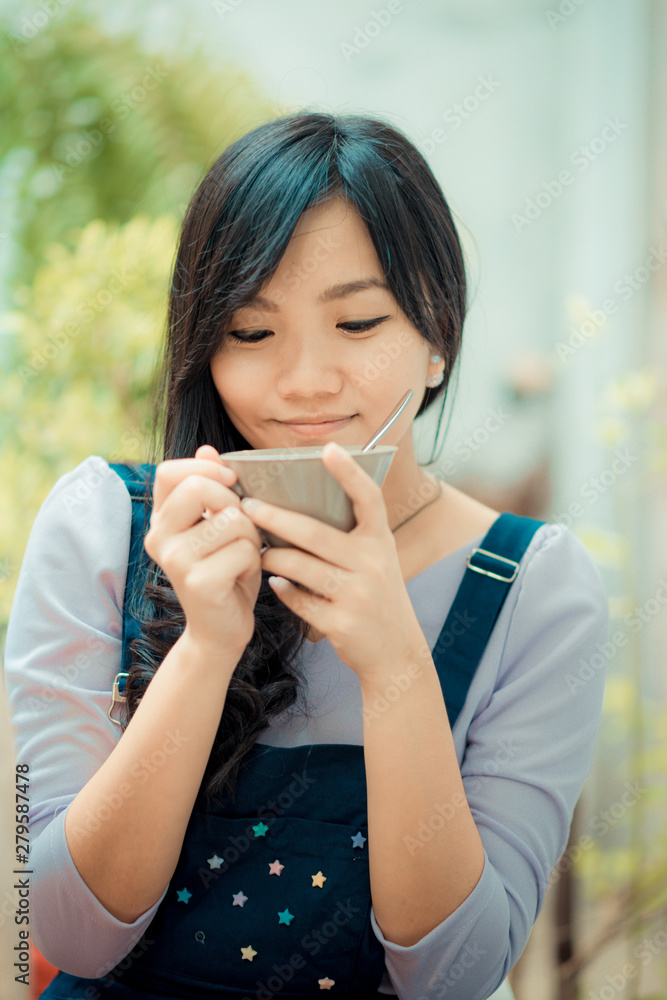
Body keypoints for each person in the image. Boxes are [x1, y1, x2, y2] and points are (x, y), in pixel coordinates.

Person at [3, 111, 609, 1000]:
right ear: (204, 346)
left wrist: (396, 662)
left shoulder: (535, 587)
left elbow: (457, 975)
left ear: (438, 337)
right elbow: (62, 932)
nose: (304, 381)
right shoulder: (102, 523)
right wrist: (206, 647)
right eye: (251, 333)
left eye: (358, 323)